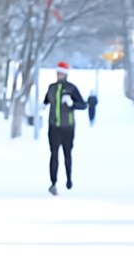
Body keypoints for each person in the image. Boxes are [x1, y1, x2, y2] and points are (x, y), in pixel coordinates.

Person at [42, 61, 87, 195]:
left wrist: (72, 104)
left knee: (67, 154)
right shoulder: (51, 88)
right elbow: (45, 101)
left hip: (68, 127)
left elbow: (83, 105)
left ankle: (69, 179)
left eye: (61, 73)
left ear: (66, 74)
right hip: (54, 127)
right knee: (54, 154)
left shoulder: (72, 88)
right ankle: (53, 182)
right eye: (57, 73)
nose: (59, 75)